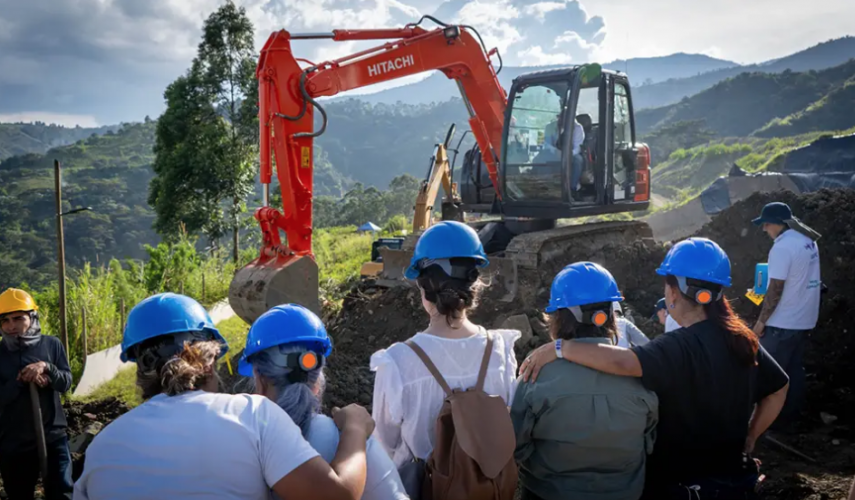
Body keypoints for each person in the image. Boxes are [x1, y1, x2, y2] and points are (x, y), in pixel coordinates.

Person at [519, 237, 790, 499]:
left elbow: (623, 361)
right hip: (734, 480)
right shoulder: (742, 340)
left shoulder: (677, 347)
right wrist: (751, 436)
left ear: (673, 292)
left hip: (682, 484)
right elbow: (779, 387)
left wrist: (560, 348)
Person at [74, 292, 375, 500]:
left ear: (140, 371)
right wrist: (356, 429)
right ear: (210, 360)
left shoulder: (102, 448)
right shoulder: (254, 416)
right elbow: (339, 495)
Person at [370, 221, 520, 492]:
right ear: (475, 284)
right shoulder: (500, 351)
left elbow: (384, 446)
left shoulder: (398, 362)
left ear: (423, 286)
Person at [512, 262, 658, 500]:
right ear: (611, 316)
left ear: (557, 318)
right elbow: (649, 441)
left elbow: (516, 445)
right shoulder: (642, 374)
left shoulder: (536, 371)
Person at [240, 303, 409, 500]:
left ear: (260, 381)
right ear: (317, 381)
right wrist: (355, 430)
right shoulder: (354, 443)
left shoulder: (243, 449)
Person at [751, 201, 821, 426]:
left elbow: (775, 290)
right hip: (805, 318)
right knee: (794, 370)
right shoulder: (807, 241)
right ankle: (791, 418)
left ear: (777, 224)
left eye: (766, 224)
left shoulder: (781, 248)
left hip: (784, 323)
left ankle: (768, 421)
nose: (764, 229)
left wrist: (760, 323)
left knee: (771, 374)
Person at [0, 288, 73, 500]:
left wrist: (47, 368)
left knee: (62, 493)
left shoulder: (52, 345)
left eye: (18, 318)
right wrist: (22, 380)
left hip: (53, 436)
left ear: (32, 317)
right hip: (14, 442)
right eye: (5, 320)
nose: (11, 326)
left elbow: (66, 383)